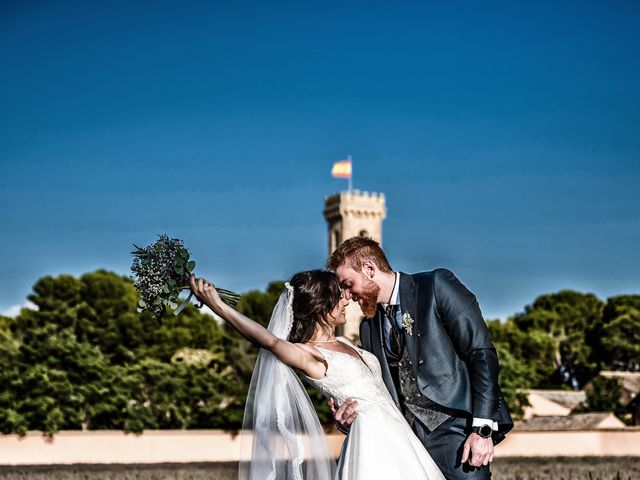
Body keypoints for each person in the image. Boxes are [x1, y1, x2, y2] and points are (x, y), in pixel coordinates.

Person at [190, 270, 445, 480]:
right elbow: (269, 341)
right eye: (339, 297)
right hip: (371, 441)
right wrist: (219, 307)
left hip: (398, 433)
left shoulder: (347, 340)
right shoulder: (310, 355)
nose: (346, 300)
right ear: (322, 305)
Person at [326, 237, 513, 480]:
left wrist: (483, 429)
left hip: (458, 431)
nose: (348, 296)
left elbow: (481, 353)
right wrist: (348, 418)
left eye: (349, 284)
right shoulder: (368, 328)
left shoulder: (436, 285)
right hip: (404, 442)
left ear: (370, 269)